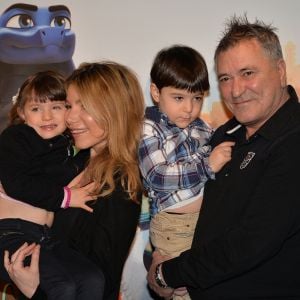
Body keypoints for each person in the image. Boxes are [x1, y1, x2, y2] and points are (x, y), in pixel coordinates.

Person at [147, 15, 300, 299]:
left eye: (248, 73)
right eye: (226, 78)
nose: (236, 90)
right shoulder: (225, 132)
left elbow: (250, 243)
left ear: (280, 71)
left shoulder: (293, 142)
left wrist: (167, 273)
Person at [139, 45, 233, 299]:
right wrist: (207, 165)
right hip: (174, 226)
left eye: (198, 98)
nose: (189, 108)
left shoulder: (201, 127)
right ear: (156, 92)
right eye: (179, 98)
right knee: (183, 290)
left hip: (204, 221)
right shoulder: (149, 129)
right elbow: (157, 176)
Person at [0, 71, 105, 299]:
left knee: (92, 278)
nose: (47, 116)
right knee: (62, 287)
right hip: (11, 234)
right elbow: (17, 184)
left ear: (69, 111)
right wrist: (67, 198)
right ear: (22, 113)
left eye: (56, 107)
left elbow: (67, 170)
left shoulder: (62, 145)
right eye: (36, 109)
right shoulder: (16, 138)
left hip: (45, 238)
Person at [51, 61, 144, 300]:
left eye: (84, 107)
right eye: (69, 106)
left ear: (114, 111)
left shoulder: (122, 183)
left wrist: (32, 285)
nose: (70, 117)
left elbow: (97, 281)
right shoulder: (72, 162)